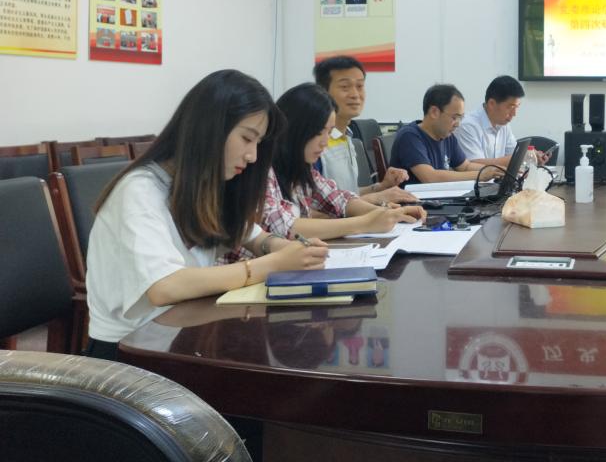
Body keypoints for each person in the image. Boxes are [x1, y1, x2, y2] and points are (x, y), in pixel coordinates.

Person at [85, 69, 329, 359]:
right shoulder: (139, 190)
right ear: (209, 129)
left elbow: (250, 235)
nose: (252, 156)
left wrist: (280, 247)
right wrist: (271, 264)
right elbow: (164, 287)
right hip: (126, 352)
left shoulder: (202, 184)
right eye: (247, 138)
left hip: (181, 334)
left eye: (258, 144)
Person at [262, 83, 424, 241]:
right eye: (319, 132)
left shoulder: (302, 167)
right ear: (294, 129)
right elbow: (281, 227)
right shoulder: (263, 168)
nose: (325, 142)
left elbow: (339, 199)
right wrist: (365, 223)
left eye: (329, 132)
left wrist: (385, 213)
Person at [313, 55, 416, 204]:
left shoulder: (347, 136)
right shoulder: (315, 145)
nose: (355, 94)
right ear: (323, 92)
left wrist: (381, 186)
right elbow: (316, 209)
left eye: (360, 86)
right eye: (345, 87)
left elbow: (348, 194)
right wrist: (378, 198)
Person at [390, 84, 489, 185]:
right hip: (413, 195)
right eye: (455, 117)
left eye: (460, 118)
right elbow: (430, 177)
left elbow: (465, 166)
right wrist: (481, 175)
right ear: (434, 112)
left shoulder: (447, 136)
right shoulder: (409, 136)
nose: (458, 124)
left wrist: (493, 170)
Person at [454, 75, 546, 169]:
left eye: (517, 107)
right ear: (492, 104)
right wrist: (522, 157)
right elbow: (472, 165)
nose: (514, 114)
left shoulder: (503, 124)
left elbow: (513, 153)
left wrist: (532, 156)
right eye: (511, 107)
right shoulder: (467, 125)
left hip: (497, 178)